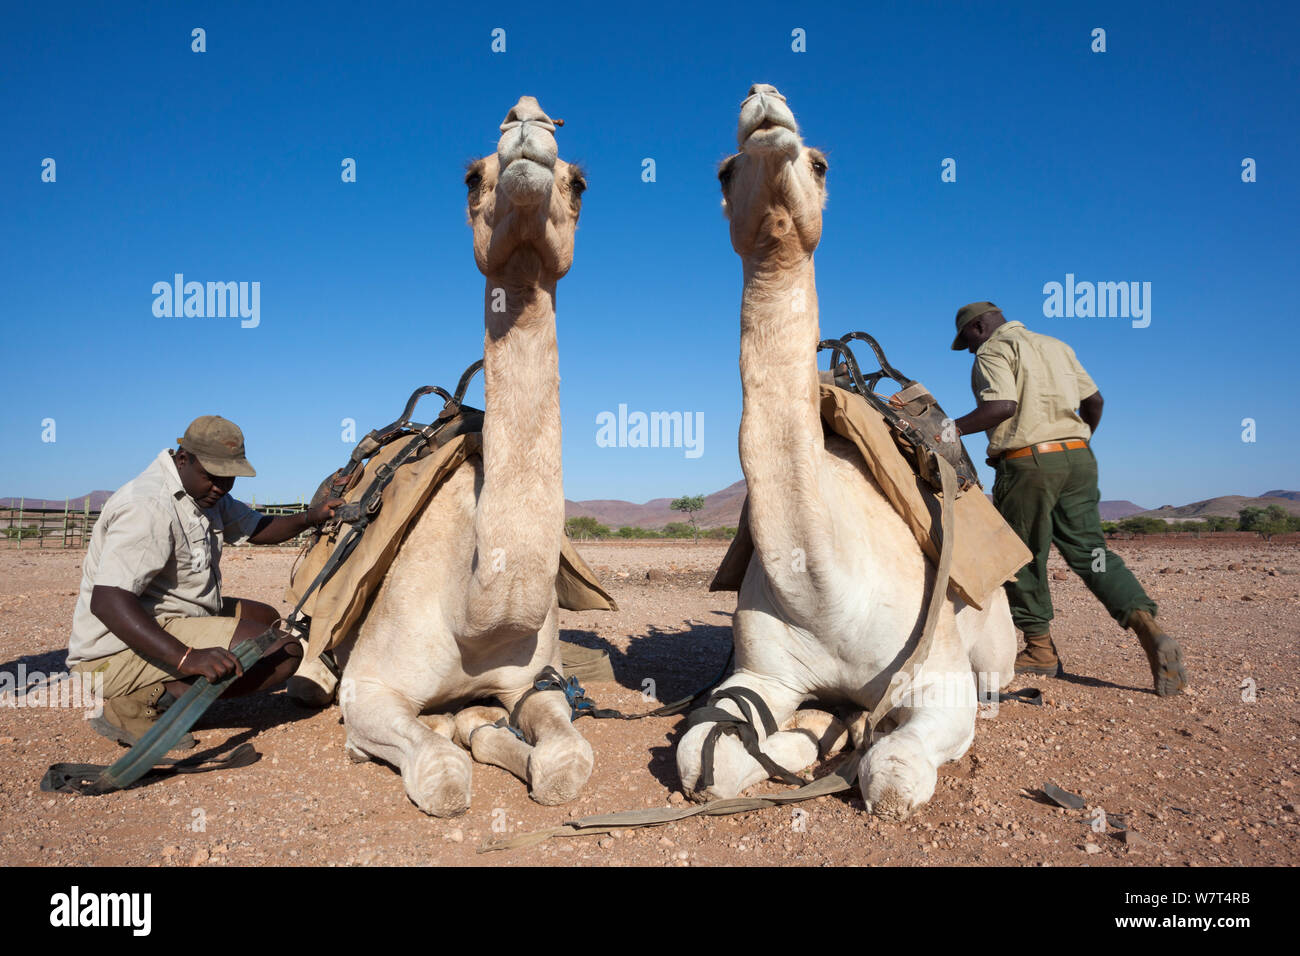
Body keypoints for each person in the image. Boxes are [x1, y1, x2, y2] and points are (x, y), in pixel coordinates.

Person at [945, 301, 1188, 696]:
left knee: (1019, 556)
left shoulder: (994, 350)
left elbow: (1001, 407)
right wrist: (1079, 439)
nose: (971, 352)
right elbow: (1094, 402)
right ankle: (1150, 629)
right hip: (1079, 460)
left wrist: (947, 430)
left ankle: (1040, 651)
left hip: (1028, 464)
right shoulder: (1056, 345)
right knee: (1094, 554)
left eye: (968, 344)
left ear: (977, 328)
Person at [67, 415, 343, 750]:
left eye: (230, 478)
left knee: (266, 621)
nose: (222, 487)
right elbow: (108, 602)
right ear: (183, 459)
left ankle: (176, 688)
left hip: (171, 616)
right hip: (113, 652)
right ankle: (140, 703)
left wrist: (310, 517)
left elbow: (257, 528)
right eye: (213, 477)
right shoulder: (148, 506)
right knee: (281, 651)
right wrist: (187, 658)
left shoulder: (203, 493)